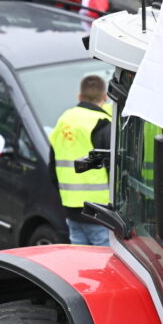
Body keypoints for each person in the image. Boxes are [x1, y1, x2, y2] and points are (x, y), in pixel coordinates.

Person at [49, 75, 112, 246]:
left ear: (79, 97)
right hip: (99, 211)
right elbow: (113, 169)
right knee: (103, 263)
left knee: (80, 263)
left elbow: (52, 167)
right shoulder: (103, 123)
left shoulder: (63, 120)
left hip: (71, 209)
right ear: (105, 97)